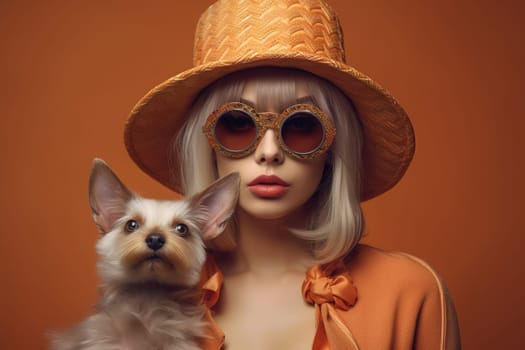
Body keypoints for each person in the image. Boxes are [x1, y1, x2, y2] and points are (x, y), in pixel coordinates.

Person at [124, 0, 461, 349]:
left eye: (302, 125)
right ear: (206, 145)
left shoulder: (410, 293)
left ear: (334, 148)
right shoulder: (151, 297)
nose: (269, 152)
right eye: (238, 124)